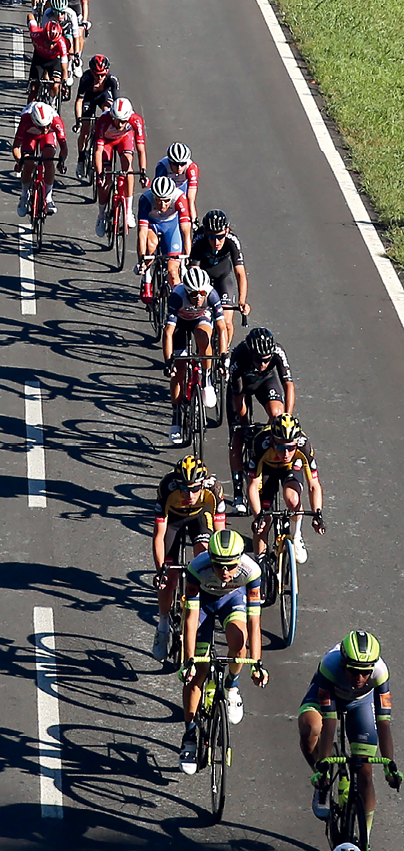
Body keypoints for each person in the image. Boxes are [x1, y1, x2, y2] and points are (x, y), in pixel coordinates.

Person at [178, 529, 267, 774]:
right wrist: (189, 660)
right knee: (198, 673)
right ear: (211, 560)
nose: (225, 572)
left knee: (239, 642)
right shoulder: (197, 567)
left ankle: (231, 686)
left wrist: (257, 663)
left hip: (232, 600)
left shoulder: (251, 570)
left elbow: (254, 622)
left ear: (240, 560)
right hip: (203, 604)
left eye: (230, 566)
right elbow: (191, 619)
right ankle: (189, 736)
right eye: (219, 566)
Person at [299, 631, 401, 838]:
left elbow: (383, 723)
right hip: (328, 695)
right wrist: (323, 766)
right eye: (354, 671)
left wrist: (389, 765)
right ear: (343, 663)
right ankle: (323, 784)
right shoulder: (330, 665)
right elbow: (329, 721)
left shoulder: (380, 672)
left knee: (365, 773)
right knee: (310, 728)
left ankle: (365, 837)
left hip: (360, 703)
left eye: (365, 673)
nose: (360, 678)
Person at [151, 455, 226, 661]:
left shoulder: (214, 489)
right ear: (177, 484)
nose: (189, 494)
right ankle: (163, 625)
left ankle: (198, 609)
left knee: (204, 558)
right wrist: (160, 570)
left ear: (203, 484)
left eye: (194, 489)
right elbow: (159, 536)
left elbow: (220, 535)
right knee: (169, 578)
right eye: (184, 489)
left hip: (199, 518)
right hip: (173, 520)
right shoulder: (167, 487)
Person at [228, 326, 296, 514]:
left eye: (267, 360)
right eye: (259, 360)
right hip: (241, 385)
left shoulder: (277, 352)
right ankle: (238, 493)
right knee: (237, 435)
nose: (263, 363)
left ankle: (267, 448)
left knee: (277, 414)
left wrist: (286, 418)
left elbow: (288, 386)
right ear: (251, 354)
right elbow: (238, 396)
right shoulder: (239, 355)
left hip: (265, 382)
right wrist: (244, 425)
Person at [247, 413, 325, 565]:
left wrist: (317, 514)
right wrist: (258, 517)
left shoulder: (304, 446)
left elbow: (314, 485)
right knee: (264, 521)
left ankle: (296, 536)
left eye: (291, 447)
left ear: (297, 443)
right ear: (272, 441)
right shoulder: (261, 444)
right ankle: (260, 564)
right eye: (281, 447)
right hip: (266, 469)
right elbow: (253, 486)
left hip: (290, 468)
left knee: (293, 499)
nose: (286, 453)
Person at [163, 265, 227, 445]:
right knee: (179, 371)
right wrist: (168, 362)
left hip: (200, 319)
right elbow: (168, 332)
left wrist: (224, 356)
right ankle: (176, 418)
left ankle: (206, 379)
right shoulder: (177, 296)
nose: (199, 297)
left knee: (203, 336)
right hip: (180, 323)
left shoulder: (211, 294)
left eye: (201, 294)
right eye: (194, 294)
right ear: (186, 291)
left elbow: (222, 328)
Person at [188, 209, 249, 343]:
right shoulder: (199, 239)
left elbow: (240, 273)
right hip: (203, 278)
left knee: (227, 323)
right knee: (200, 321)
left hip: (223, 276)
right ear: (206, 233)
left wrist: (242, 301)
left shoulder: (232, 240)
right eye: (212, 237)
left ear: (226, 231)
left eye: (220, 237)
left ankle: (224, 352)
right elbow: (193, 271)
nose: (217, 242)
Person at [93, 98, 147, 236]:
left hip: (124, 139)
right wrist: (99, 174)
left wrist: (143, 172)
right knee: (106, 178)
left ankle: (128, 212)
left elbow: (141, 150)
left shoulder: (136, 120)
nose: (121, 124)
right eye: (117, 120)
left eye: (124, 121)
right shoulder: (103, 120)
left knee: (128, 169)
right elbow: (98, 151)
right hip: (106, 142)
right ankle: (101, 215)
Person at [135, 175, 192, 296]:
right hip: (153, 225)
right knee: (150, 246)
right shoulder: (145, 199)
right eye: (158, 200)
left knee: (173, 272)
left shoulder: (180, 198)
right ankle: (147, 278)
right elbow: (142, 233)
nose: (162, 205)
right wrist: (141, 260)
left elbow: (186, 232)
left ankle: (175, 302)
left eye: (166, 200)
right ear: (153, 196)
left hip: (171, 227)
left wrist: (188, 257)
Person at [12, 101, 67, 217]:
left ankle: (48, 198)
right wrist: (20, 162)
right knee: (28, 164)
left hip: (48, 137)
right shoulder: (26, 120)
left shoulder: (56, 121)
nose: (45, 129)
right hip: (30, 136)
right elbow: (16, 147)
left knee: (49, 159)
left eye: (47, 126)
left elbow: (64, 147)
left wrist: (61, 161)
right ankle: (24, 195)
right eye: (42, 127)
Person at [73, 55, 119, 178]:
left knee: (108, 110)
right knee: (85, 132)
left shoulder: (112, 79)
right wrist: (78, 121)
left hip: (103, 97)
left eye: (102, 75)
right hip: (88, 99)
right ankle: (81, 160)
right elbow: (79, 102)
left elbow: (117, 103)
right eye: (96, 75)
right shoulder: (86, 78)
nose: (99, 78)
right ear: (91, 72)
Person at [25, 13, 70, 101]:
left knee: (55, 84)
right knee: (34, 89)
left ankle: (52, 100)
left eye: (53, 43)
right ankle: (29, 108)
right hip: (39, 59)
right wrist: (34, 12)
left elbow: (64, 67)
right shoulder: (35, 34)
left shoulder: (62, 43)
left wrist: (64, 81)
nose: (51, 46)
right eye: (48, 42)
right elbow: (30, 16)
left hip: (54, 60)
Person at [155, 142, 199, 224]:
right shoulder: (162, 166)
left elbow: (191, 198)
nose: (179, 168)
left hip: (182, 186)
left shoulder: (192, 167)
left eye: (182, 164)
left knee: (184, 207)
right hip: (166, 187)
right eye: (175, 164)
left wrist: (194, 219)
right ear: (169, 162)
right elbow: (160, 190)